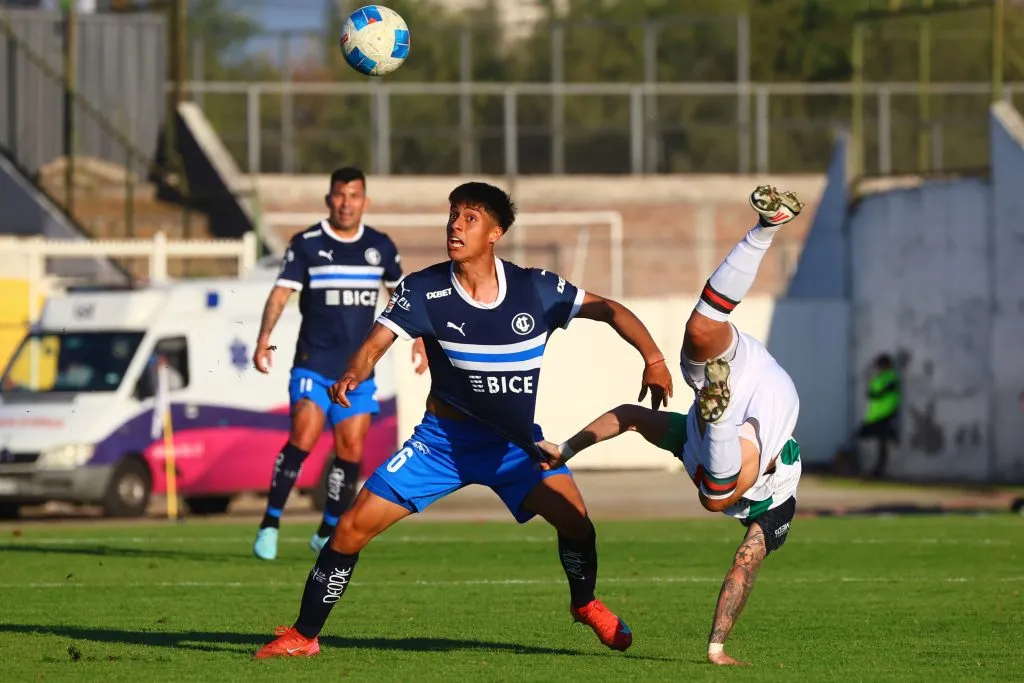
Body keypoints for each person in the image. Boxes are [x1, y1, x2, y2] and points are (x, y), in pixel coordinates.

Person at [254, 181, 673, 659]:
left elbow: (609, 309)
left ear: (495, 232)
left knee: (576, 522)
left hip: (514, 446)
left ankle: (584, 603)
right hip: (440, 446)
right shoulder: (423, 289)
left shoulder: (536, 289)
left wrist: (654, 359)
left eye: (470, 217)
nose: (455, 224)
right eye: (453, 214)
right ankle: (304, 636)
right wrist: (353, 372)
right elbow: (374, 345)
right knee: (349, 529)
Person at [534, 185, 804, 667]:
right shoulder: (776, 503)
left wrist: (569, 447)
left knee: (716, 491)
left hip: (733, 412)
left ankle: (718, 411)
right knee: (716, 490)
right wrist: (716, 647)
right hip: (763, 406)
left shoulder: (687, 443)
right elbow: (744, 565)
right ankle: (768, 227)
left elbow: (631, 417)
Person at [252, 166, 427, 561]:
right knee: (304, 436)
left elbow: (402, 298)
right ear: (329, 199)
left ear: (365, 201)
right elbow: (280, 295)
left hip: (357, 373)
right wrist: (264, 338)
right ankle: (270, 522)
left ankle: (327, 529)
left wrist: (420, 340)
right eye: (339, 195)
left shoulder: (380, 246)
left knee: (350, 449)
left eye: (354, 196)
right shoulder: (308, 244)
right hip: (313, 364)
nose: (346, 203)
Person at [854, 353, 902, 478]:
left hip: (885, 416)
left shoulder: (891, 378)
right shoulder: (878, 378)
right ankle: (868, 468)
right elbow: (870, 393)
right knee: (865, 439)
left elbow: (877, 394)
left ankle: (878, 470)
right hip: (875, 417)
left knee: (882, 444)